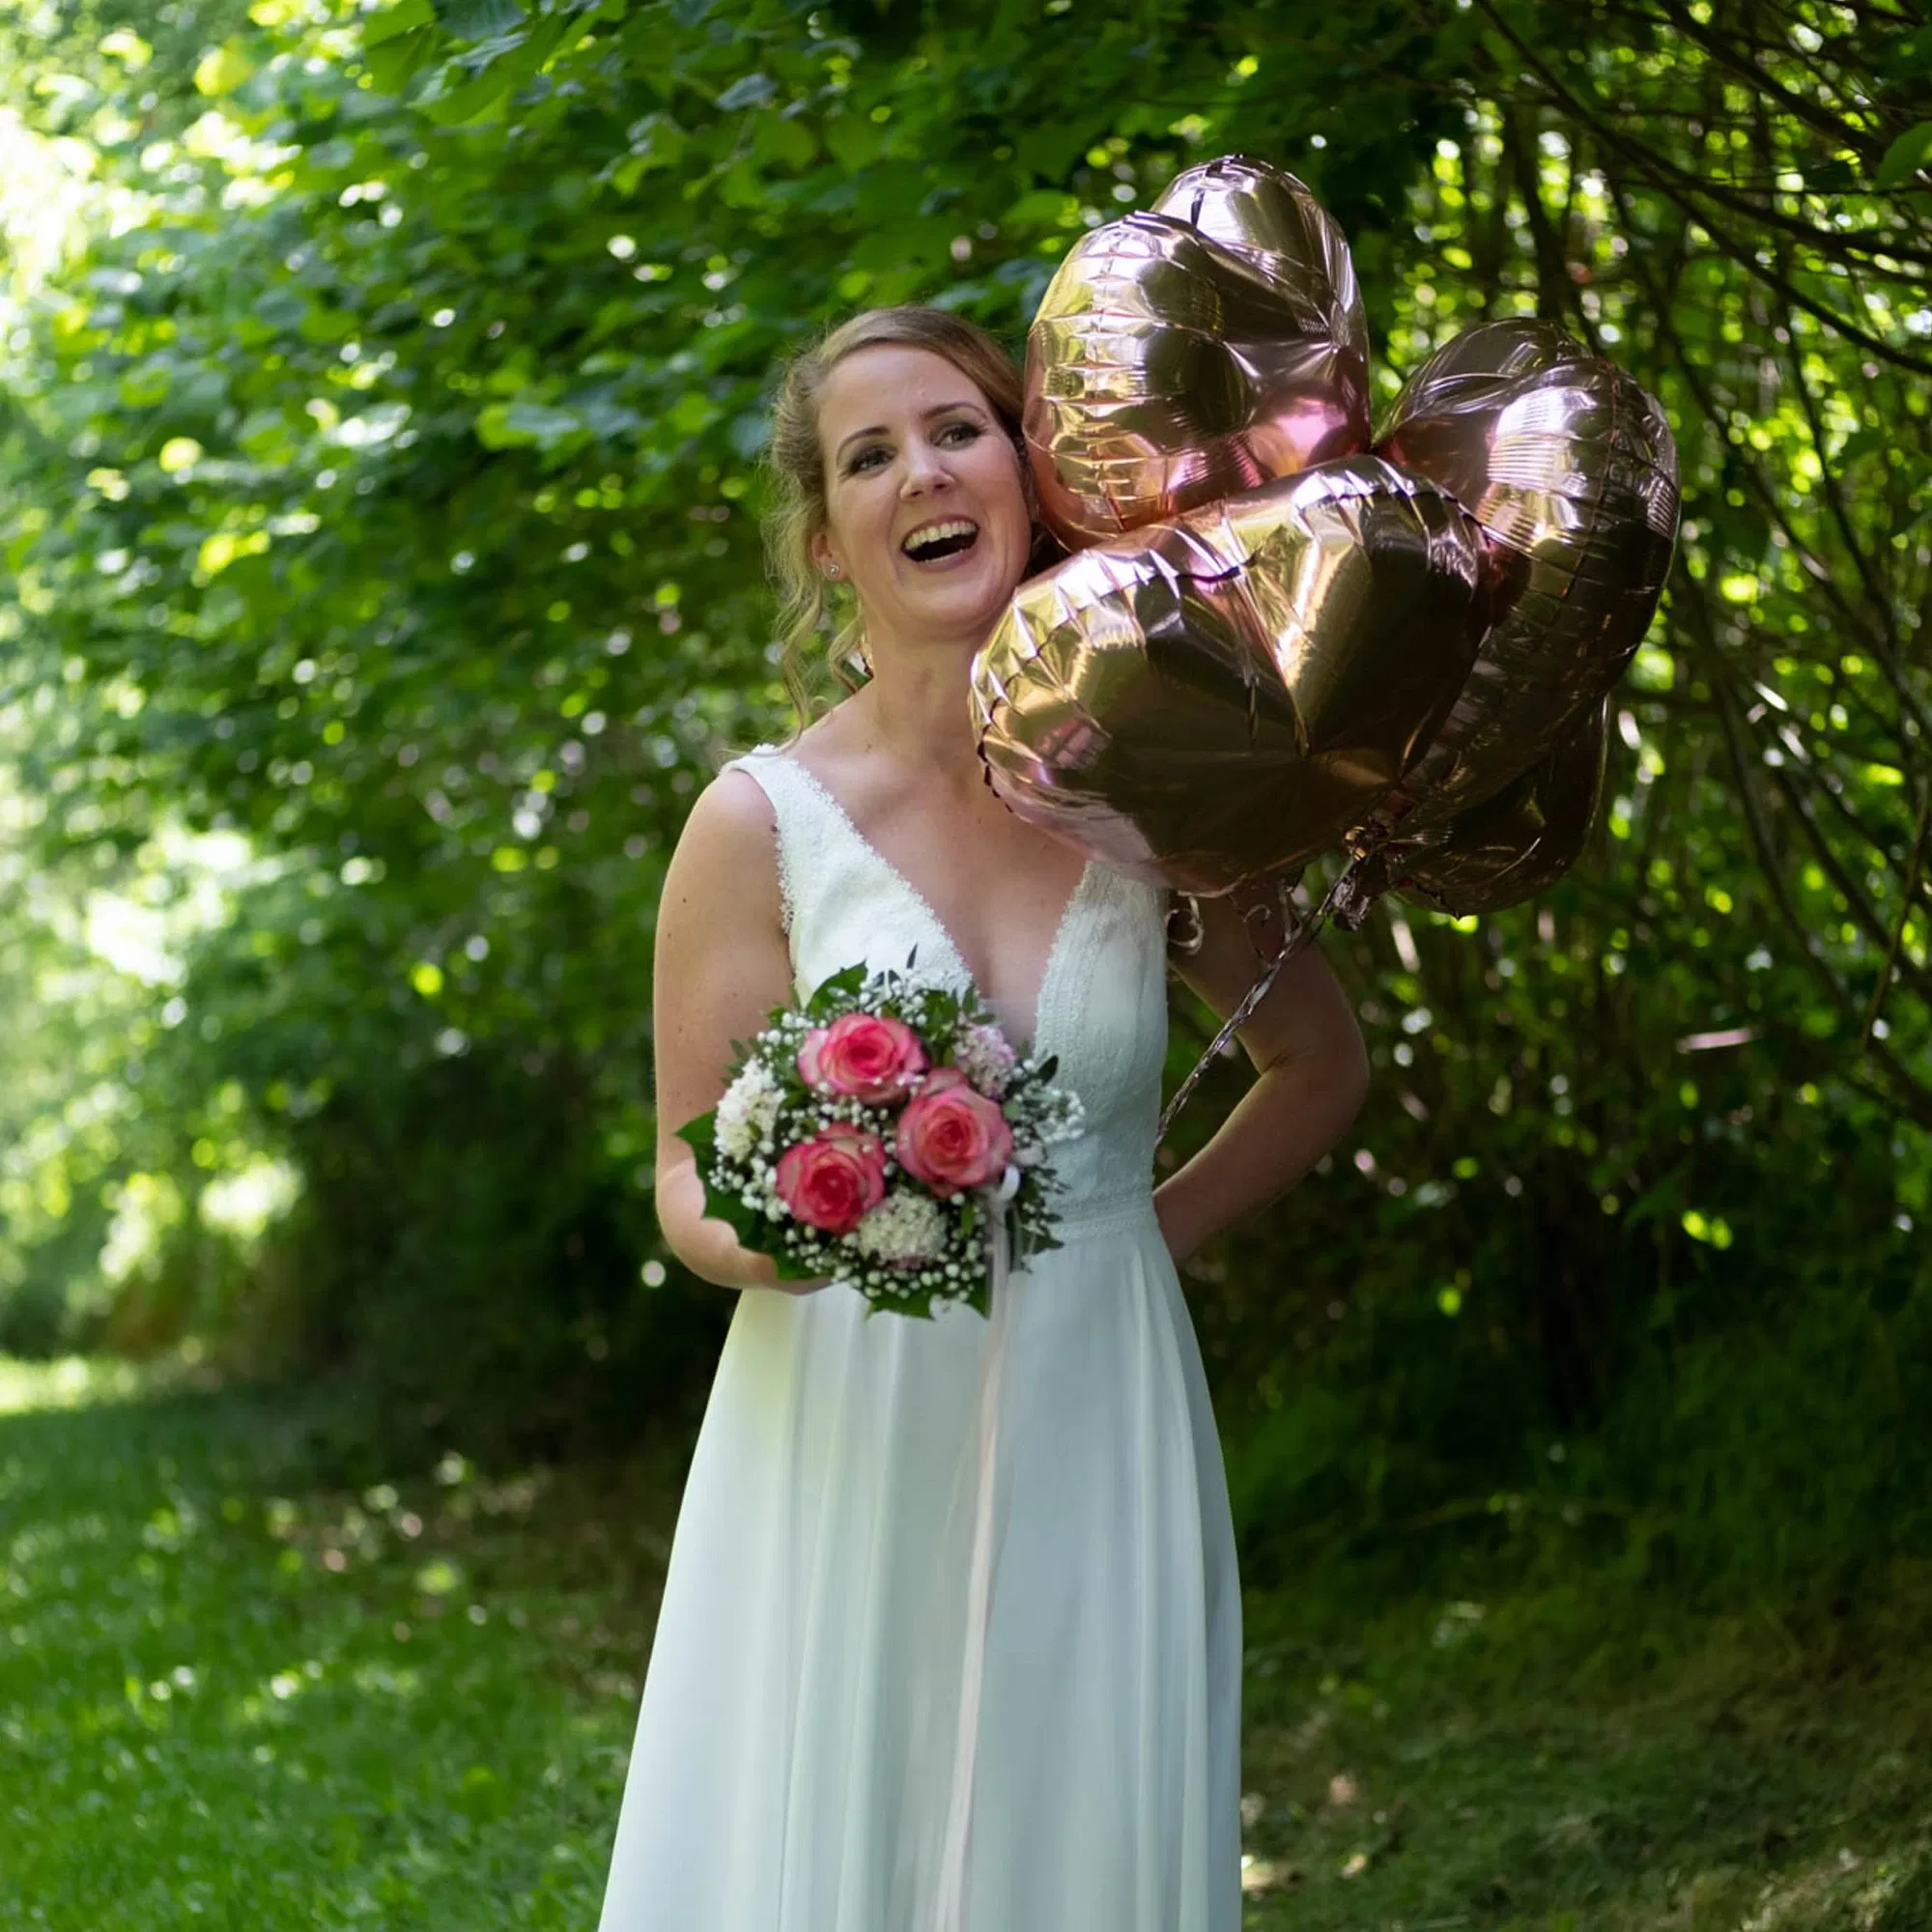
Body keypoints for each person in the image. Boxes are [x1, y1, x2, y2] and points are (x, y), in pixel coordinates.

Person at [598, 305, 1370, 1932]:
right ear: (827, 539)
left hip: (1109, 1404)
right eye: (870, 455)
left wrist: (1133, 1245)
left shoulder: (1155, 782)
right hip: (848, 1417)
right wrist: (793, 1233)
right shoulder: (759, 825)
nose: (922, 472)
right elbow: (682, 1170)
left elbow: (1320, 1068)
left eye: (957, 428)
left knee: (1076, 1819)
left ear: (1030, 474)